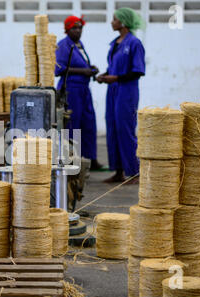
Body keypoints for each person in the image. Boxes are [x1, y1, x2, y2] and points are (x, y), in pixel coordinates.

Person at [96, 8, 146, 183]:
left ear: (123, 22)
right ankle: (118, 171)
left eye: (115, 19)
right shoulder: (115, 43)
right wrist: (105, 75)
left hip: (127, 91)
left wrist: (115, 78)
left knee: (125, 129)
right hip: (113, 91)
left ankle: (134, 172)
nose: (112, 22)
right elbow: (114, 68)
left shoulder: (134, 43)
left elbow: (138, 71)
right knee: (112, 129)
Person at [55, 15, 104, 171]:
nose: (78, 31)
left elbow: (81, 64)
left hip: (84, 89)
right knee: (72, 124)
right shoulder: (63, 45)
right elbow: (59, 69)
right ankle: (72, 159)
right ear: (67, 29)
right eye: (74, 28)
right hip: (71, 89)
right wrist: (83, 71)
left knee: (89, 123)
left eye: (80, 28)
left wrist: (90, 69)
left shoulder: (79, 44)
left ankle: (90, 158)